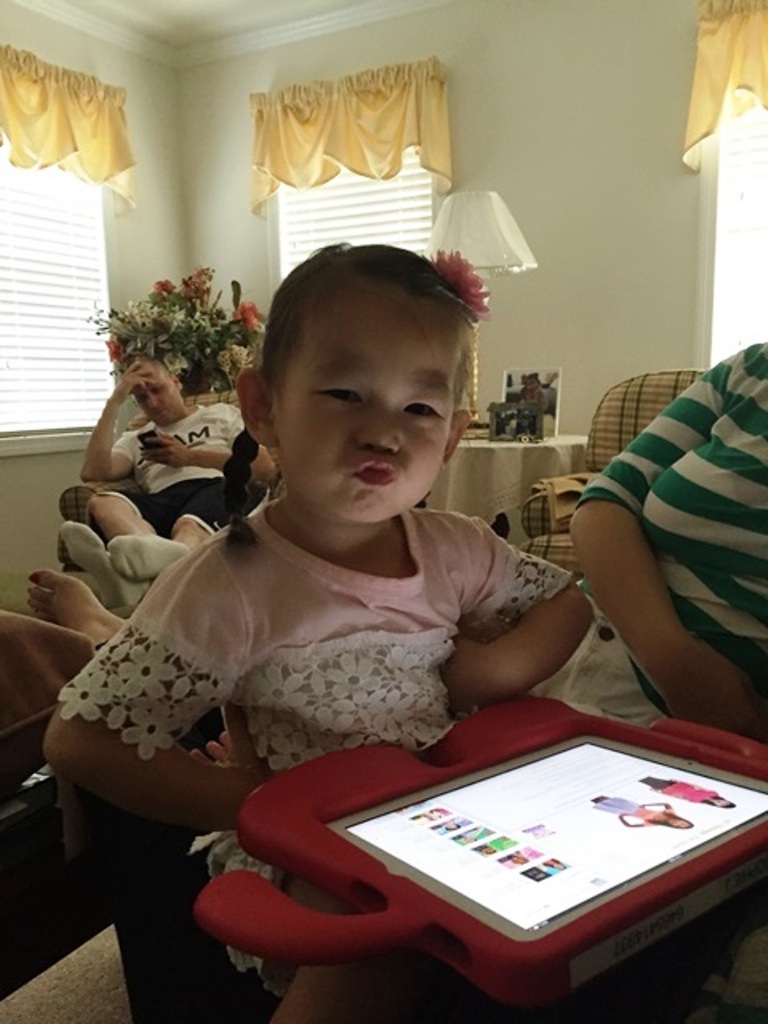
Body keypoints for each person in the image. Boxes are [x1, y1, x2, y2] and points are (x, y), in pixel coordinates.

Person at [43, 243, 592, 1024]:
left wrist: (494, 670)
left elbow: (567, 600)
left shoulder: (458, 547)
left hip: (444, 812)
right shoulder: (230, 581)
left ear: (452, 436)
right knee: (380, 938)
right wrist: (246, 798)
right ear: (263, 406)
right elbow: (80, 738)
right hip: (319, 846)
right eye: (345, 393)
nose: (384, 434)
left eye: (420, 409)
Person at [545, 343, 768, 744]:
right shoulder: (753, 369)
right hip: (559, 651)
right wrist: (673, 659)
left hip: (701, 735)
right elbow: (605, 502)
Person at [60, 356, 276, 609]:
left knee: (187, 525)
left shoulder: (221, 414)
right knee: (102, 503)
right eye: (142, 397)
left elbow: (264, 468)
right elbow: (92, 471)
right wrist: (114, 401)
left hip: (215, 486)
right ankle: (146, 564)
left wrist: (189, 457)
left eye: (157, 389)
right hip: (162, 499)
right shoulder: (135, 438)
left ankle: (129, 581)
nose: (152, 402)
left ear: (176, 382)